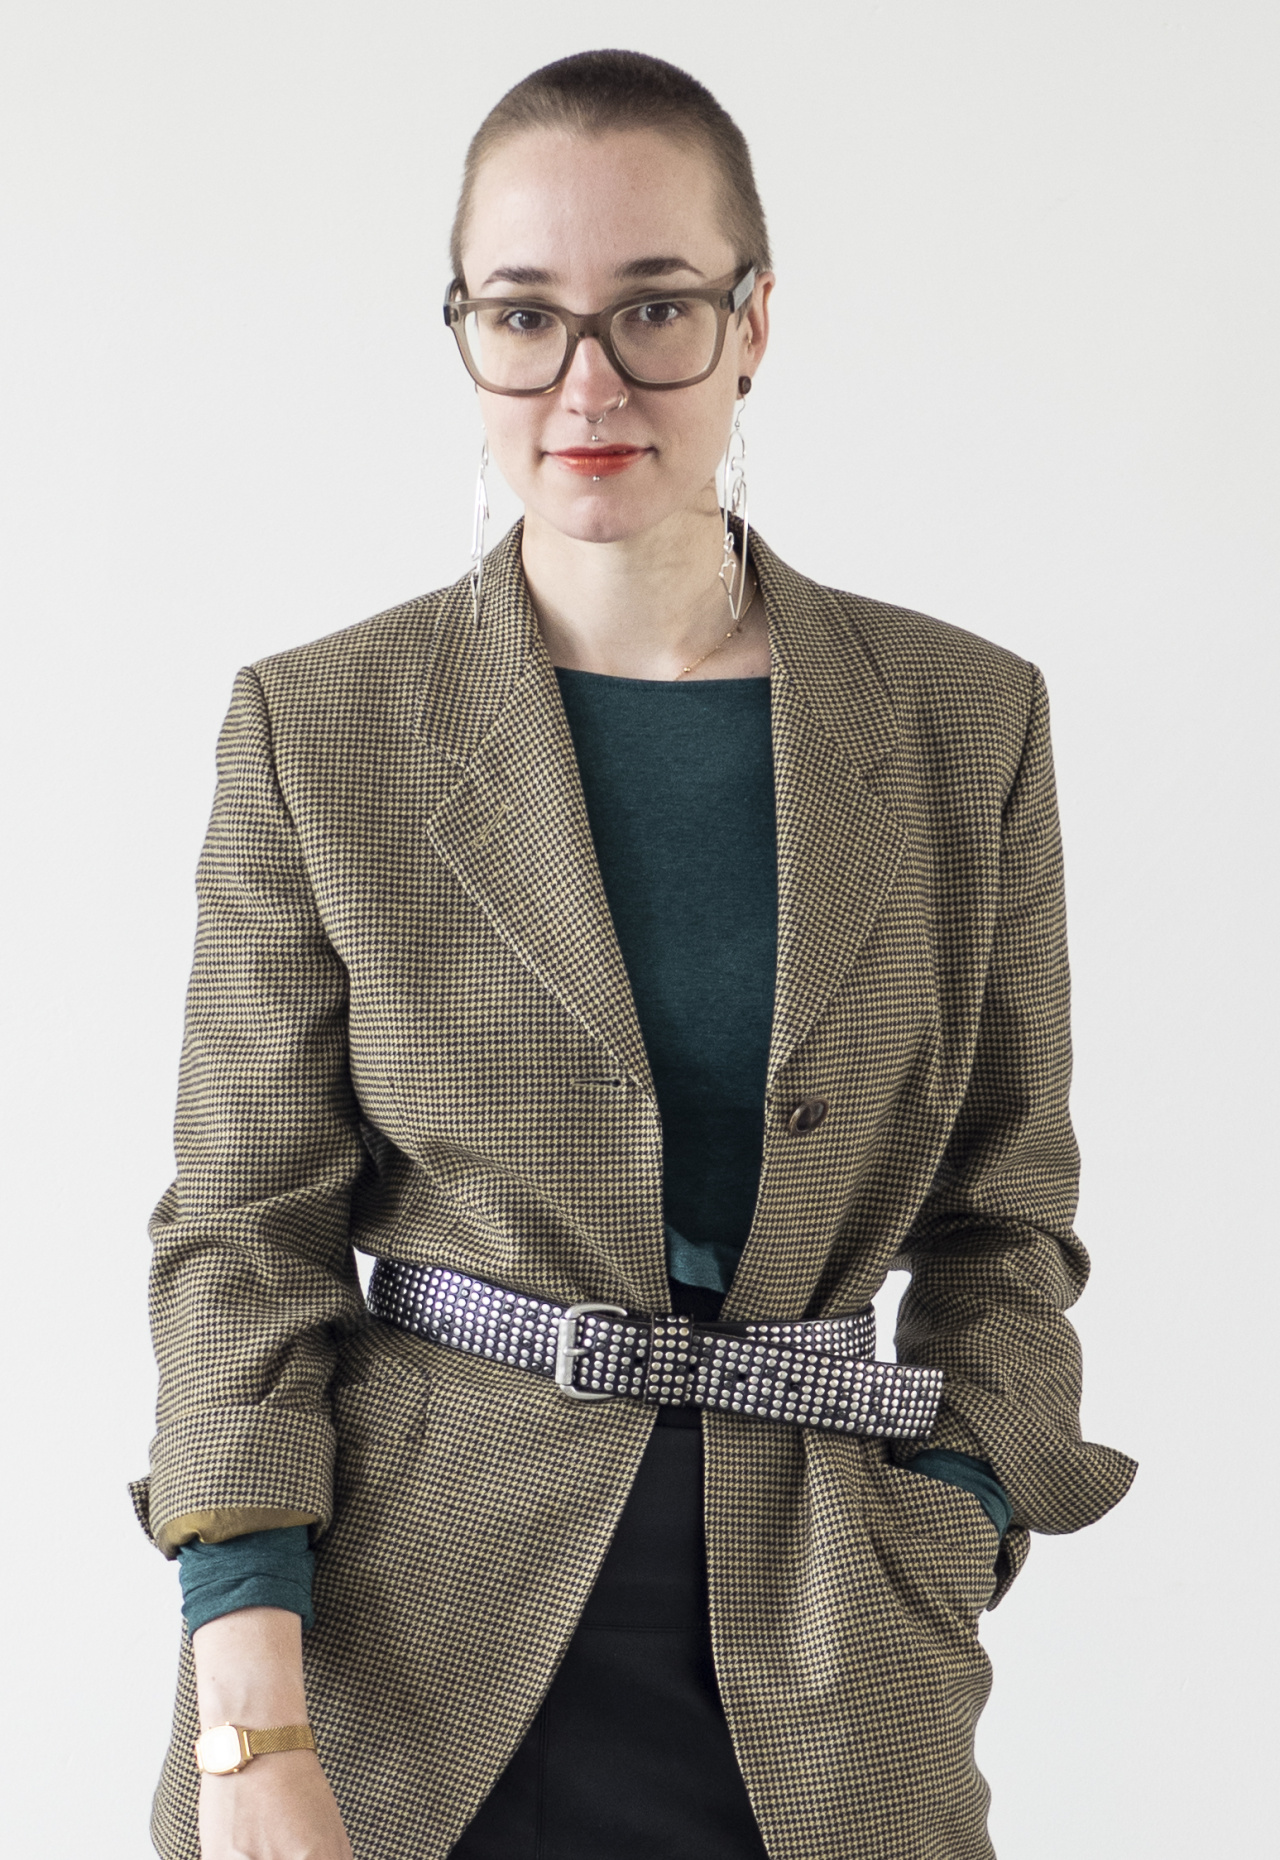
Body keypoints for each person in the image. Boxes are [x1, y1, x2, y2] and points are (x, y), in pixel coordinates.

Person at [133, 48, 1136, 1860]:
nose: (587, 381)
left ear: (757, 323)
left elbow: (1011, 1210)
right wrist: (251, 1730)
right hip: (397, 1656)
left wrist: (958, 1510)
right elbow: (241, 1242)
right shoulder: (322, 728)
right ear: (465, 335)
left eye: (654, 306)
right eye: (525, 315)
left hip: (831, 1646)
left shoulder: (958, 720)